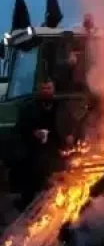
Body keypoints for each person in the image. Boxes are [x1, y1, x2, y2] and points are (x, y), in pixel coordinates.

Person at [13, 79, 69, 209]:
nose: (46, 91)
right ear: (38, 90)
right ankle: (27, 204)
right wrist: (33, 132)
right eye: (43, 89)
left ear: (53, 90)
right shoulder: (28, 108)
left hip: (56, 147)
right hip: (34, 148)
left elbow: (69, 124)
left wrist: (69, 135)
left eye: (48, 88)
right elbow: (20, 128)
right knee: (31, 169)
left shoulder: (61, 107)